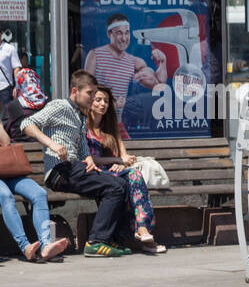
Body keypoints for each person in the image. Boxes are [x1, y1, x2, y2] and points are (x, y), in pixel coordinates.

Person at [19, 70, 136, 257]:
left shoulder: (80, 116)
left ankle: (112, 239)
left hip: (75, 168)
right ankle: (97, 241)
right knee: (114, 187)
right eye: (90, 93)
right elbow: (27, 124)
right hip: (60, 172)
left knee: (120, 184)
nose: (93, 98)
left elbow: (81, 147)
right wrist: (52, 144)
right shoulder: (59, 106)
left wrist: (88, 158)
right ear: (75, 91)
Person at [86, 85, 164, 252]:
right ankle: (144, 238)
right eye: (98, 100)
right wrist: (117, 160)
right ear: (90, 102)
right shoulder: (83, 127)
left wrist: (121, 163)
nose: (102, 104)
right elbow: (88, 159)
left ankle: (142, 229)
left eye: (106, 101)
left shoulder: (112, 127)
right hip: (96, 174)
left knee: (134, 176)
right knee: (129, 183)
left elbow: (125, 157)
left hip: (115, 172)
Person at [0, 122, 70, 262]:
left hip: (11, 173)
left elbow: (6, 142)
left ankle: (46, 245)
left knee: (39, 194)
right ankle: (25, 247)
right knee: (6, 196)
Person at [84, 13, 168, 114]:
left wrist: (162, 63)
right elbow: (86, 92)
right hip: (98, 122)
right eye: (119, 33)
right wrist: (110, 104)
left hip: (118, 123)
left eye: (127, 33)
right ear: (109, 34)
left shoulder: (135, 62)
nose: (124, 38)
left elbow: (159, 86)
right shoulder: (95, 55)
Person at [2, 52, 46, 141]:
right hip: (45, 149)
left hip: (18, 151)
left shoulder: (12, 107)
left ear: (19, 86)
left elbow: (3, 132)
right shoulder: (47, 105)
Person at [0, 36, 22, 111]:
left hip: (5, 88)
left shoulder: (9, 48)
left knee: (6, 116)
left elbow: (16, 68)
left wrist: (17, 86)